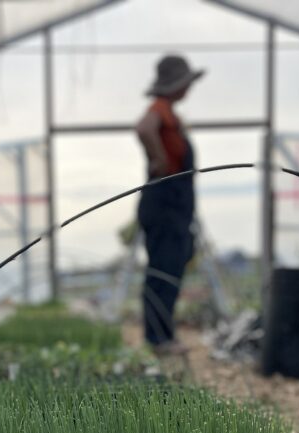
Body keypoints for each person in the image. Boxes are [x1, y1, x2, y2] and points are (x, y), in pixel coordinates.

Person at [135, 54, 205, 354]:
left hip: (174, 207)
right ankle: (158, 339)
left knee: (172, 268)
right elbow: (143, 128)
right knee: (162, 271)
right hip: (164, 204)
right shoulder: (159, 110)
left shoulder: (171, 115)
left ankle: (163, 335)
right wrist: (159, 159)